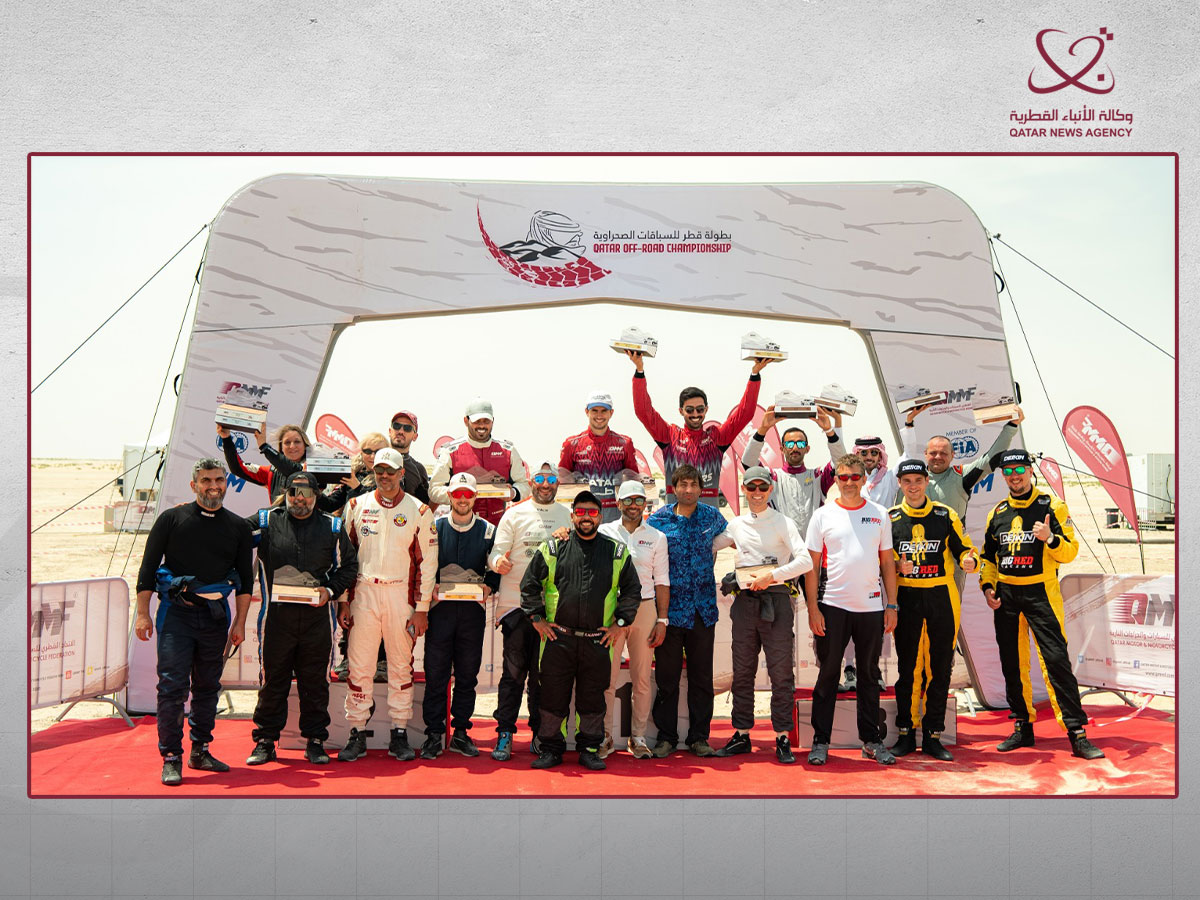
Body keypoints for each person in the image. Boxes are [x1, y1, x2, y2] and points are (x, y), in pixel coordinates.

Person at [134, 457, 253, 786]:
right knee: (172, 687)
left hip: (216, 618)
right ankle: (171, 756)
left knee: (207, 686)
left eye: (219, 480)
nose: (213, 486)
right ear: (194, 485)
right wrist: (143, 613)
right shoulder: (171, 520)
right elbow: (147, 569)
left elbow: (245, 582)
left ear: (226, 484)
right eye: (206, 480)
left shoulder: (238, 527)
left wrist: (239, 623)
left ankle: (200, 750)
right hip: (177, 615)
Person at [979, 449, 1104, 759]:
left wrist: (1050, 538)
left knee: (1056, 662)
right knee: (1012, 663)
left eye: (1020, 470)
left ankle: (1076, 733)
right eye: (1009, 472)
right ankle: (1023, 726)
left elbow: (1070, 552)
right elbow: (988, 558)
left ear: (1030, 471)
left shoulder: (1052, 506)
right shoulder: (997, 513)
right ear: (1003, 476)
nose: (1015, 476)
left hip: (1041, 595)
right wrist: (988, 587)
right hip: (1007, 597)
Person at [244, 472, 358, 766]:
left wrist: (330, 591)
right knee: (273, 681)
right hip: (276, 619)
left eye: (306, 493)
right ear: (286, 493)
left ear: (317, 496)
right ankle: (265, 740)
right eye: (294, 492)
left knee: (315, 682)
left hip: (316, 620)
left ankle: (316, 741)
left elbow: (349, 566)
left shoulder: (332, 526)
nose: (300, 499)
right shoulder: (267, 520)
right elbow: (231, 533)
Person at [521, 491, 640, 770]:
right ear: (572, 515)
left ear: (600, 516)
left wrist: (620, 624)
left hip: (597, 641)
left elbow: (632, 591)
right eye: (581, 512)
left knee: (592, 699)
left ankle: (589, 749)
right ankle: (551, 749)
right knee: (552, 697)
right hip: (557, 639)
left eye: (593, 512)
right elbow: (529, 585)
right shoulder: (553, 548)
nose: (587, 517)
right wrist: (537, 619)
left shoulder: (616, 552)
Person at [336, 448, 437, 763]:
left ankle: (399, 732)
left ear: (401, 473)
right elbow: (344, 557)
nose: (384, 476)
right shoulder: (356, 506)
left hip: (400, 597)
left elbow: (427, 563)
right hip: (364, 594)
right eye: (379, 471)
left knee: (400, 666)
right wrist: (343, 601)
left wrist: (422, 608)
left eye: (390, 471)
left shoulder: (419, 511)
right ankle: (356, 731)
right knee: (360, 665)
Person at [713, 467, 813, 764]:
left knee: (781, 672)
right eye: (751, 487)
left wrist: (773, 575)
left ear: (770, 490)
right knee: (742, 671)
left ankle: (782, 736)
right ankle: (742, 733)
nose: (756, 492)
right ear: (743, 489)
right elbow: (707, 546)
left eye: (762, 487)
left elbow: (806, 561)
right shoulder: (736, 525)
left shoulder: (783, 522)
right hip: (745, 602)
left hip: (777, 601)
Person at [805, 454, 898, 767]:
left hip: (871, 608)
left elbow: (887, 562)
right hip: (832, 605)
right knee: (828, 674)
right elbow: (812, 566)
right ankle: (820, 741)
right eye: (843, 477)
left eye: (854, 477)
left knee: (869, 676)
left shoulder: (879, 514)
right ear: (836, 480)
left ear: (863, 479)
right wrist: (813, 608)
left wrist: (891, 604)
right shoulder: (822, 515)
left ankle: (871, 741)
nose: (848, 482)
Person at [743, 404, 844, 684]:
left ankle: (828, 678)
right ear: (783, 448)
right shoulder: (773, 478)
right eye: (790, 443)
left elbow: (841, 464)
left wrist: (830, 431)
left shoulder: (817, 476)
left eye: (800, 443)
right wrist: (763, 429)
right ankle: (784, 680)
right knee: (780, 626)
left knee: (822, 620)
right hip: (783, 561)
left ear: (808, 448)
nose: (795, 447)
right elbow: (749, 465)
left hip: (814, 560)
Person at [887, 460, 977, 761]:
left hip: (942, 597)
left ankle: (933, 735)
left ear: (927, 482)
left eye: (918, 480)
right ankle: (905, 733)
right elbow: (880, 560)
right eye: (907, 481)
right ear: (900, 484)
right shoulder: (890, 518)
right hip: (907, 597)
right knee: (908, 669)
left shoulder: (945, 514)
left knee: (940, 668)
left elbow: (965, 549)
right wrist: (896, 565)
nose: (913, 486)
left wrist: (969, 560)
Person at [487, 461, 572, 759]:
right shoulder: (513, 514)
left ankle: (540, 734)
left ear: (557, 484)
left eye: (551, 479)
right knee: (512, 675)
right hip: (515, 607)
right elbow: (496, 552)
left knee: (542, 678)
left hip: (551, 611)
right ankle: (505, 734)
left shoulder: (567, 515)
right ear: (531, 482)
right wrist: (498, 563)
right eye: (540, 478)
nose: (545, 484)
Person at [645, 464, 729, 758]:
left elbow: (739, 537)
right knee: (667, 679)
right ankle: (666, 738)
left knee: (701, 679)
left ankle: (699, 738)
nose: (689, 490)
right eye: (683, 485)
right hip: (668, 613)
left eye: (694, 485)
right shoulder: (658, 520)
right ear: (674, 488)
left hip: (703, 610)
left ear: (701, 489)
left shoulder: (712, 517)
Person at [627, 348, 774, 506]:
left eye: (700, 409)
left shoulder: (716, 438)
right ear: (681, 411)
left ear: (706, 409)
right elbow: (643, 411)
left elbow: (745, 413)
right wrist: (639, 371)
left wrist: (755, 375)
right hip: (676, 518)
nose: (695, 414)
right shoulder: (670, 436)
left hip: (708, 519)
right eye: (689, 410)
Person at [420, 472, 500, 760]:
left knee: (467, 675)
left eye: (468, 494)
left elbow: (495, 568)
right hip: (439, 612)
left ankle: (461, 732)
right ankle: (434, 733)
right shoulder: (435, 526)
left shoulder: (489, 530)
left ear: (475, 497)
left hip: (472, 614)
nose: (463, 499)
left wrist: (490, 585)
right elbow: (423, 563)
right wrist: (430, 586)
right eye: (457, 494)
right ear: (449, 496)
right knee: (436, 675)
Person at [597, 480, 670, 758]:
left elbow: (662, 581)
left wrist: (662, 620)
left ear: (645, 504)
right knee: (607, 677)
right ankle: (605, 736)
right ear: (618, 504)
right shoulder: (603, 532)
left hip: (645, 609)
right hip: (611, 610)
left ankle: (637, 737)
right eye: (627, 500)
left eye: (638, 500)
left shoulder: (657, 537)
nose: (633, 506)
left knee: (641, 678)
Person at [328, 432, 390, 683]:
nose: (372, 456)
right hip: (351, 549)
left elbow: (381, 506)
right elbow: (330, 504)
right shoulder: (351, 475)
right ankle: (348, 657)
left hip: (380, 552)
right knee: (349, 604)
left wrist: (357, 488)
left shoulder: (390, 475)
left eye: (378, 451)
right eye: (367, 451)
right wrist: (314, 481)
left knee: (381, 608)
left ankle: (382, 660)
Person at [902, 403, 1025, 520]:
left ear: (952, 455)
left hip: (954, 535)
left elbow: (991, 458)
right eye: (933, 453)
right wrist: (909, 422)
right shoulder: (911, 479)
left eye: (943, 453)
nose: (938, 457)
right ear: (925, 454)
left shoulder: (960, 476)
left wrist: (1011, 426)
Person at [430, 398, 530, 525]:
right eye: (477, 421)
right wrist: (459, 494)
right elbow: (434, 489)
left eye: (486, 421)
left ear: (493, 421)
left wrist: (513, 493)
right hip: (460, 525)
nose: (482, 426)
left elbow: (524, 485)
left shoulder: (508, 451)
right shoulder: (450, 452)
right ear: (466, 421)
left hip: (498, 525)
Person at [218, 422, 341, 512]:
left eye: (297, 442)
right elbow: (238, 468)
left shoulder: (314, 467)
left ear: (305, 446)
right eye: (287, 442)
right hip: (278, 531)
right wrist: (226, 439)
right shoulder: (271, 472)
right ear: (281, 448)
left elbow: (295, 471)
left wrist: (265, 447)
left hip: (310, 532)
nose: (292, 446)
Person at [558, 390, 641, 523]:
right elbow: (562, 483)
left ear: (611, 413)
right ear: (587, 412)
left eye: (604, 411)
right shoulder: (571, 444)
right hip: (585, 518)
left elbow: (634, 480)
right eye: (594, 410)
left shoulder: (624, 443)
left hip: (615, 518)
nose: (599, 415)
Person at [387, 410, 431, 506]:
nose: (401, 431)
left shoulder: (418, 469)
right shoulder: (373, 459)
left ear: (415, 436)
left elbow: (425, 508)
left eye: (407, 428)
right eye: (396, 426)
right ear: (390, 431)